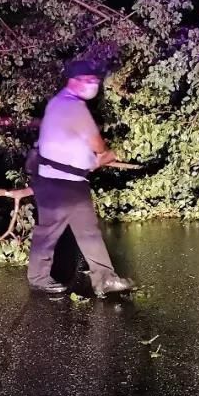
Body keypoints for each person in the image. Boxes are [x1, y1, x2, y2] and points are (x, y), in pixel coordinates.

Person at [26, 60, 134, 296]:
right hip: (57, 183)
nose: (93, 85)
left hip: (72, 182)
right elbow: (97, 144)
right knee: (49, 232)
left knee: (89, 232)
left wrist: (94, 160)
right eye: (88, 80)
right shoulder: (72, 106)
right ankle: (38, 278)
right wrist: (108, 154)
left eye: (95, 81)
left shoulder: (57, 102)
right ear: (73, 81)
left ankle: (104, 280)